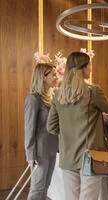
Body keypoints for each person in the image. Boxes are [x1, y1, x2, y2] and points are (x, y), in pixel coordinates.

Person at [46, 52, 108, 200]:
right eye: (90, 66)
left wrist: (70, 130)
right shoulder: (92, 91)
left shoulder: (58, 94)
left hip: (67, 156)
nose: (90, 69)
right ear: (84, 68)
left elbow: (51, 126)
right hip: (90, 156)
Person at [24, 63, 58, 200]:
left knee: (46, 186)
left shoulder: (50, 99)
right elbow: (29, 128)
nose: (56, 77)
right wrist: (30, 155)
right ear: (43, 78)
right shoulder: (33, 99)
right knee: (37, 189)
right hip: (39, 152)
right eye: (53, 75)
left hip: (51, 149)